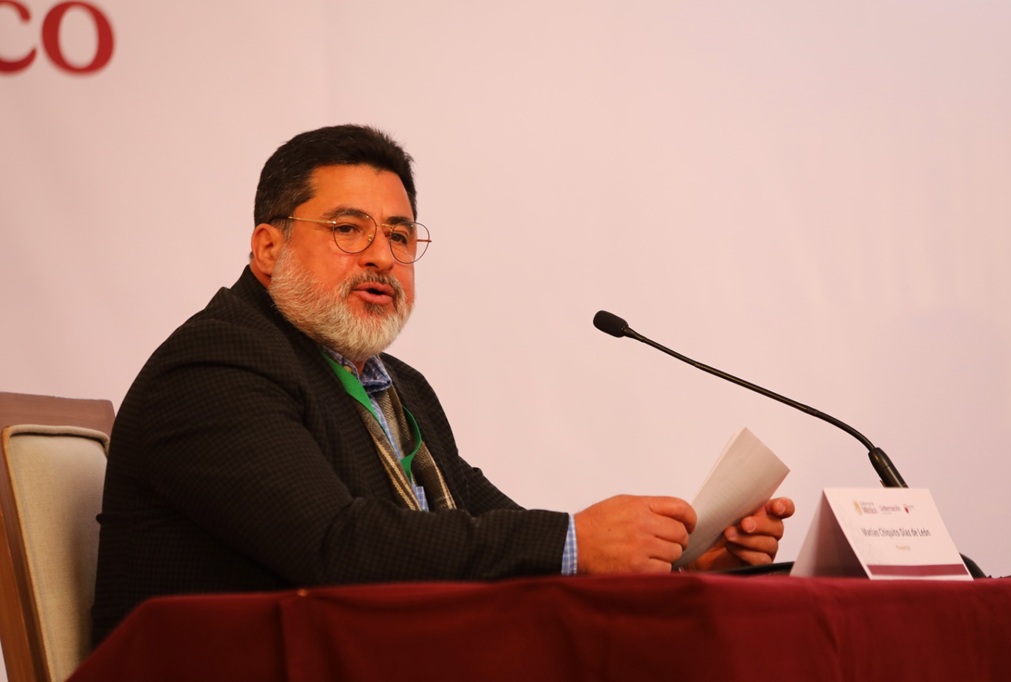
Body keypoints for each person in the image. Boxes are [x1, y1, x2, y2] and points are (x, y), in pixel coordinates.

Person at [91, 125, 794, 646]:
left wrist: (680, 564)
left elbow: (486, 537)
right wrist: (575, 542)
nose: (381, 257)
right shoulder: (218, 365)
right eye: (347, 229)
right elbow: (338, 550)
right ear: (268, 247)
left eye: (400, 236)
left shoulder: (396, 386)